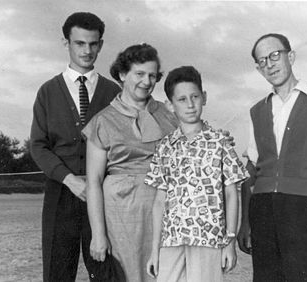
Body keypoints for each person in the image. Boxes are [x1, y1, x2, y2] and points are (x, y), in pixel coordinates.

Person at [237, 33, 307, 282]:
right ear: (258, 68)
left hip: (305, 209)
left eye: (275, 55)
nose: (269, 64)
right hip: (262, 210)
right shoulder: (257, 111)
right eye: (262, 61)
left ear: (291, 56)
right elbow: (250, 172)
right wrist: (245, 223)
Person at [30, 12, 123, 281]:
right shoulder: (48, 91)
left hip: (104, 198)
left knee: (107, 274)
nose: (87, 50)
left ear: (101, 45)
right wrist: (70, 180)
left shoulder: (113, 93)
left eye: (93, 44)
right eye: (80, 43)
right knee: (58, 274)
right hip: (61, 195)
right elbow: (38, 146)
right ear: (66, 43)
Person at [82, 43, 179, 282]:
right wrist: (98, 235)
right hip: (121, 214)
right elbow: (93, 181)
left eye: (152, 76)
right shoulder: (102, 121)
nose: (146, 82)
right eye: (139, 74)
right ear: (123, 74)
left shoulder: (169, 115)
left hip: (166, 208)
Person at [145, 66, 248, 282]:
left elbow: (231, 195)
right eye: (182, 99)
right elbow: (159, 202)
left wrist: (229, 244)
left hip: (208, 240)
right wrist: (155, 250)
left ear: (204, 97)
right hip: (171, 241)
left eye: (195, 97)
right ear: (170, 105)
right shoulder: (165, 147)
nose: (190, 105)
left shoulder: (220, 143)